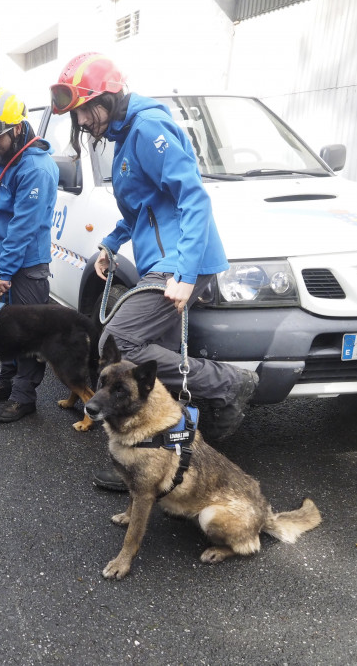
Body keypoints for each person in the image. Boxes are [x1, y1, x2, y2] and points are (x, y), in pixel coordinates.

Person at [49, 52, 259, 490]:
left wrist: (183, 272)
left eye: (85, 111)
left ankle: (228, 383)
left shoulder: (148, 128)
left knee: (118, 341)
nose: (83, 123)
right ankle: (154, 462)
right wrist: (110, 242)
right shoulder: (126, 140)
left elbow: (194, 198)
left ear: (106, 97)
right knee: (149, 376)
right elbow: (143, 209)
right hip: (161, 262)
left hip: (181, 262)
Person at [0, 86, 60, 423]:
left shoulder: (36, 169)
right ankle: (6, 382)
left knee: (26, 332)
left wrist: (5, 273)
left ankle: (24, 398)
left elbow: (23, 227)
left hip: (24, 265)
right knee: (2, 327)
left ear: (18, 129)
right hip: (0, 256)